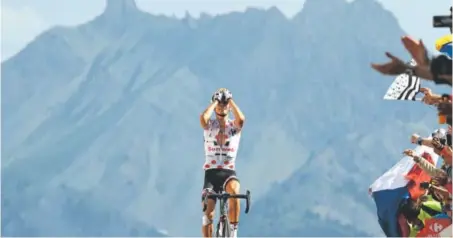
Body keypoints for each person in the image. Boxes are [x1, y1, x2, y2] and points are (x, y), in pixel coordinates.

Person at [199, 88, 246, 238]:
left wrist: (230, 100)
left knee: (235, 190)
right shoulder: (209, 126)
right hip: (211, 174)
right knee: (208, 215)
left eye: (224, 106)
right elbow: (203, 119)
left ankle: (233, 232)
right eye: (219, 106)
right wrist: (215, 101)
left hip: (228, 172)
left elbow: (242, 119)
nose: (221, 108)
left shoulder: (234, 127)